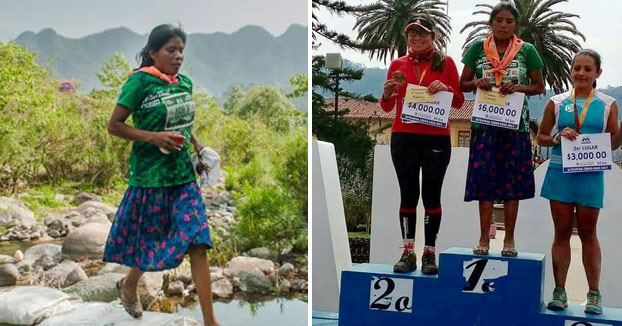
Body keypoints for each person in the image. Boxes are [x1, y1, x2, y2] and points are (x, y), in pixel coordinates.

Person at [103, 24, 220, 326]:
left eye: (181, 50)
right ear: (153, 52)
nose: (178, 55)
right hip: (150, 178)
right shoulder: (140, 83)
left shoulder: (185, 84)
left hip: (182, 178)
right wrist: (154, 137)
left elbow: (184, 123)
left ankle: (210, 321)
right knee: (149, 242)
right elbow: (114, 125)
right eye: (171, 50)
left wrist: (198, 148)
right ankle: (130, 284)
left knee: (198, 243)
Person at [538, 49, 622, 315]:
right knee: (561, 233)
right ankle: (559, 291)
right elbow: (541, 137)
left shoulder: (608, 103)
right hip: (560, 174)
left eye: (588, 69)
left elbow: (613, 143)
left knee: (588, 234)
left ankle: (594, 294)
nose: (581, 73)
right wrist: (557, 137)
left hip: (590, 174)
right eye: (577, 68)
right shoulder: (557, 101)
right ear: (571, 71)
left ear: (598, 73)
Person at [380, 16, 464, 275]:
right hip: (404, 136)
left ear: (433, 36)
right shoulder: (398, 64)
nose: (417, 38)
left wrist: (447, 88)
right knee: (407, 194)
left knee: (431, 195)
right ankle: (408, 252)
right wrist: (386, 94)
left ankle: (429, 253)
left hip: (436, 138)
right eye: (412, 34)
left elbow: (459, 102)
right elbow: (386, 106)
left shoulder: (446, 63)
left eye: (423, 34)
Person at [460, 2, 545, 257]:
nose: (504, 25)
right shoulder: (477, 48)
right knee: (484, 183)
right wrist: (477, 81)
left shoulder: (527, 50)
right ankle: (483, 238)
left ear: (515, 24)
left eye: (509, 21)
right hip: (484, 125)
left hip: (515, 127)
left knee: (512, 185)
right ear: (491, 23)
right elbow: (462, 84)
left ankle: (509, 240)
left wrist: (518, 88)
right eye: (499, 20)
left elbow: (539, 86)